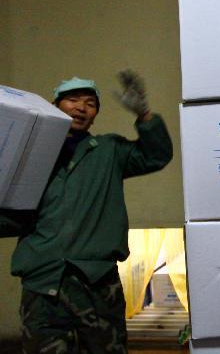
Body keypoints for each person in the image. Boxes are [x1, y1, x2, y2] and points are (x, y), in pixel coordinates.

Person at [0, 70, 173, 353]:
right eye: (72, 100)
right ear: (54, 106)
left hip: (97, 284)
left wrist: (145, 116)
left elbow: (156, 156)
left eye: (90, 103)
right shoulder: (31, 155)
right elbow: (10, 217)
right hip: (44, 282)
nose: (81, 107)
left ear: (95, 116)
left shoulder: (108, 151)